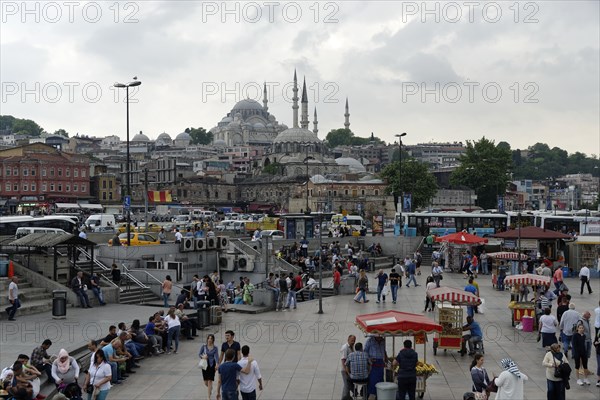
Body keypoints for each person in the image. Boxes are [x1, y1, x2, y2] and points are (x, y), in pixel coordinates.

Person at [199, 334, 219, 400]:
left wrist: (217, 364)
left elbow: (216, 357)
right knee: (206, 382)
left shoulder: (215, 348)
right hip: (205, 365)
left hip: (211, 365)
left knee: (210, 380)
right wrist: (203, 356)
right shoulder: (204, 346)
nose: (210, 340)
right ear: (207, 339)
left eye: (211, 338)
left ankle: (208, 397)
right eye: (209, 338)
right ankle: (210, 388)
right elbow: (199, 354)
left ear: (213, 340)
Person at [340, 335, 356, 400]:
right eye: (352, 340)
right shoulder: (345, 347)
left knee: (348, 384)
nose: (353, 342)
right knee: (346, 385)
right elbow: (343, 360)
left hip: (349, 370)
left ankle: (348, 396)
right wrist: (346, 370)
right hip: (345, 370)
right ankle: (344, 398)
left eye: (354, 341)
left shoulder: (352, 347)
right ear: (348, 340)